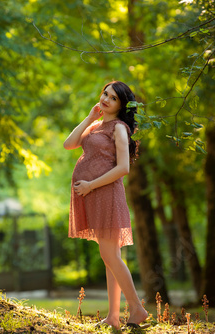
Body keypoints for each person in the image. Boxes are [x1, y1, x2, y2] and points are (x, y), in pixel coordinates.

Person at [64, 81, 149, 330]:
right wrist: (89, 117)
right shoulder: (95, 125)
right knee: (110, 258)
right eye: (105, 94)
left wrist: (90, 185)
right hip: (93, 197)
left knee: (110, 255)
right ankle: (113, 317)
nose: (106, 99)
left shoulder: (120, 128)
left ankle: (136, 308)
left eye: (112, 98)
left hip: (106, 194)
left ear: (121, 105)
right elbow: (69, 144)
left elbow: (123, 167)